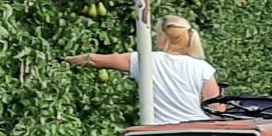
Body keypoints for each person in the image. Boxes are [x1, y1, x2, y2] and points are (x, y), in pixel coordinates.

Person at [65, 16, 221, 125]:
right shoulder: (203, 68)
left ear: (163, 37)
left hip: (160, 132)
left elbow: (93, 59)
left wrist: (64, 61)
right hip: (198, 131)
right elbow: (217, 108)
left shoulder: (145, 61)